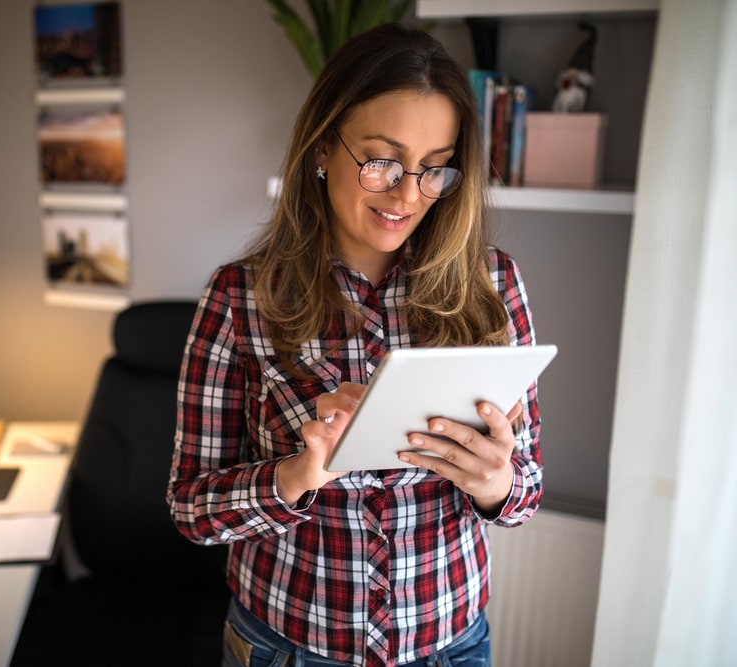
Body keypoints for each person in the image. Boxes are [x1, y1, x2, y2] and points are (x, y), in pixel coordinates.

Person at [167, 23, 542, 667]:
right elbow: (190, 507)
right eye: (382, 161)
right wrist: (297, 474)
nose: (407, 194)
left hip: (449, 645)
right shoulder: (239, 297)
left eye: (433, 170)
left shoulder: (492, 284)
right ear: (321, 147)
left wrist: (497, 481)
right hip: (286, 647)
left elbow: (526, 490)